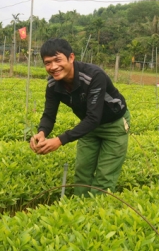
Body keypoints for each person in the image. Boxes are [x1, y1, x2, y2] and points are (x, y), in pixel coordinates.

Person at [29, 38, 130, 197]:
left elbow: (93, 117)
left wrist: (59, 140)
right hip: (88, 127)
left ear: (71, 57)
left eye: (58, 60)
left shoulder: (94, 76)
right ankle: (80, 212)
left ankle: (97, 214)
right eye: (48, 63)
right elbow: (49, 115)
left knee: (105, 177)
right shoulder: (53, 85)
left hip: (114, 125)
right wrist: (41, 133)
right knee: (82, 171)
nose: (53, 67)